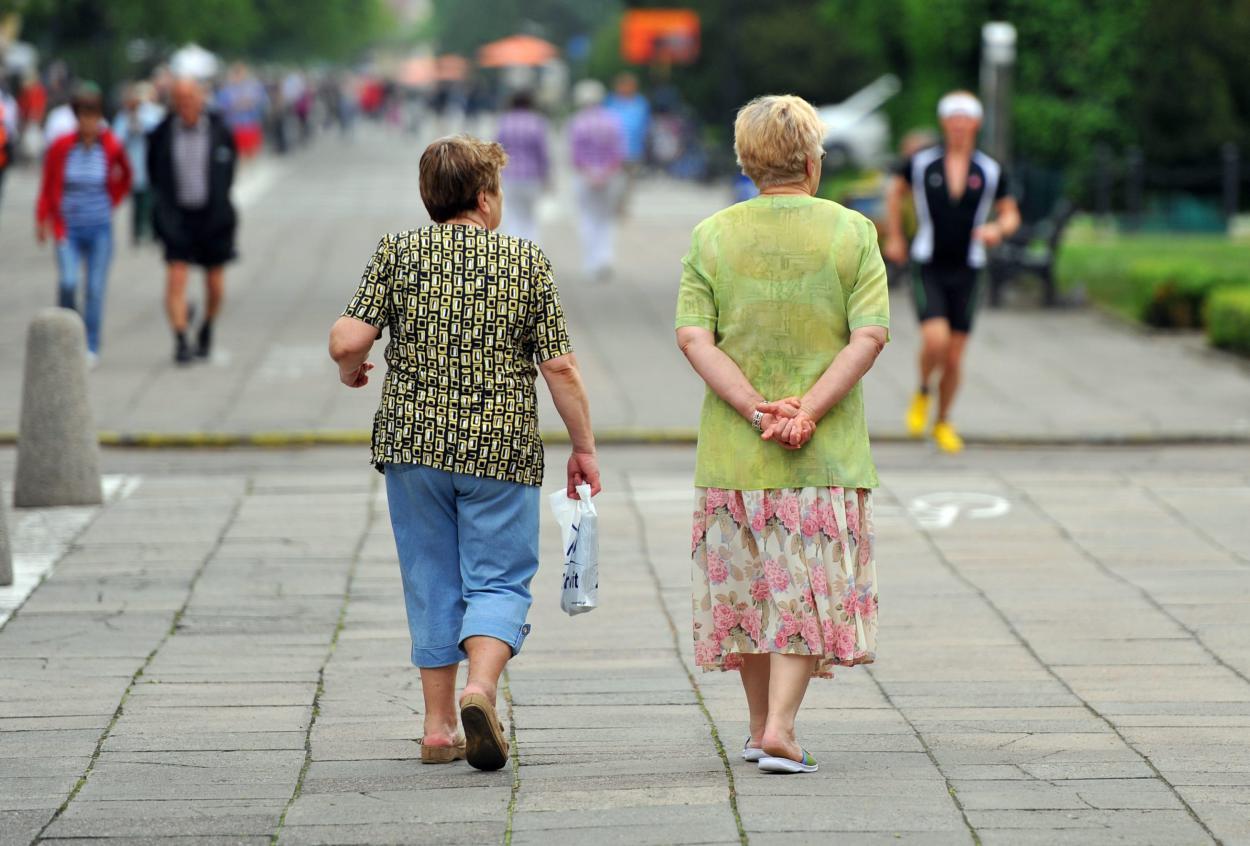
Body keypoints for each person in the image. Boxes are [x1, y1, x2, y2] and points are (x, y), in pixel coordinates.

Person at [328, 135, 600, 772]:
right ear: (484, 197)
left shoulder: (398, 252)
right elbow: (559, 366)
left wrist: (351, 370)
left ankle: (438, 727)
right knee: (498, 578)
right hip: (499, 449)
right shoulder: (523, 262)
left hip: (413, 446)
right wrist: (583, 447)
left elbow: (347, 339)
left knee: (430, 579)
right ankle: (481, 689)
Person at [676, 95, 888, 775]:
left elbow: (693, 337)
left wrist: (754, 409)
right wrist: (810, 412)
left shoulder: (710, 234)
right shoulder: (853, 232)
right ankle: (782, 728)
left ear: (745, 162)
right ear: (812, 160)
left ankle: (758, 725)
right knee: (809, 586)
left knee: (748, 590)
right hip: (823, 452)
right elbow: (870, 335)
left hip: (737, 451)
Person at [883, 91, 1020, 453]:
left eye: (966, 119)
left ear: (975, 124)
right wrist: (895, 236)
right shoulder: (922, 163)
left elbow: (1010, 213)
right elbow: (894, 193)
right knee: (935, 340)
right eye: (953, 118)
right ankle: (923, 389)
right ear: (945, 123)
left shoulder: (989, 170)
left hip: (969, 266)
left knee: (956, 356)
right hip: (929, 262)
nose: (959, 125)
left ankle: (943, 421)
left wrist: (998, 229)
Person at [35, 82, 132, 366]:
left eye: (94, 117)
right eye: (84, 117)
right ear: (77, 119)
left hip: (99, 226)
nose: (89, 123)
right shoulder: (62, 147)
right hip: (69, 226)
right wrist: (43, 218)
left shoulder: (110, 145)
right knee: (68, 281)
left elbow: (124, 174)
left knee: (94, 289)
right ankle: (68, 334)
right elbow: (48, 184)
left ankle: (90, 343)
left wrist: (112, 199)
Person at [148, 77, 238, 364]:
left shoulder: (219, 130)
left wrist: (221, 202)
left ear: (201, 99)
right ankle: (180, 339)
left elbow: (229, 168)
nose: (186, 106)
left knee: (214, 284)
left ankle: (207, 326)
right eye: (180, 100)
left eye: (191, 99)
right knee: (176, 278)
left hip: (212, 217)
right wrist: (163, 211)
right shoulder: (163, 133)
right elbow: (154, 172)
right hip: (177, 216)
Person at [568, 79, 625, 282]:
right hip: (610, 176)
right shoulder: (613, 120)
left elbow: (575, 155)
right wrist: (605, 172)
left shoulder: (577, 122)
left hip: (585, 177)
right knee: (606, 219)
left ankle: (591, 263)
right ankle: (605, 258)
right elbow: (618, 152)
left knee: (588, 219)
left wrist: (590, 173)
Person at [113, 82, 165, 245]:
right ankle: (137, 232)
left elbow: (158, 131)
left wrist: (141, 126)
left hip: (151, 164)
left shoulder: (152, 112)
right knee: (137, 201)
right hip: (133, 164)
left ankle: (150, 230)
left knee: (151, 200)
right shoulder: (123, 117)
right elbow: (117, 139)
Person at [496, 90, 550, 243]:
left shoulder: (504, 122)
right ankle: (530, 254)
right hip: (532, 176)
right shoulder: (537, 122)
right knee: (530, 218)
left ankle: (513, 254)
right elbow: (543, 153)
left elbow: (496, 150)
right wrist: (547, 176)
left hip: (510, 175)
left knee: (512, 216)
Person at [604, 71, 650, 212]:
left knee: (629, 180)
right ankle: (613, 203)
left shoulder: (640, 103)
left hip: (633, 149)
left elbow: (644, 126)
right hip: (613, 150)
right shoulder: (610, 102)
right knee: (613, 179)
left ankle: (623, 206)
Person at [216, 63, 267, 161]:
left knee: (251, 154)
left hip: (250, 125)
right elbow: (221, 106)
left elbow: (262, 101)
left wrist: (251, 103)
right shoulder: (227, 89)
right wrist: (236, 105)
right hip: (235, 127)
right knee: (238, 155)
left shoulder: (253, 87)